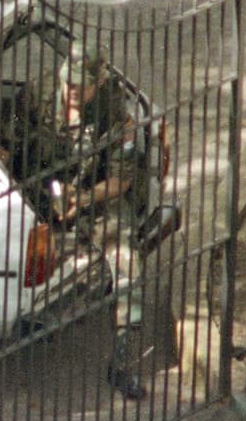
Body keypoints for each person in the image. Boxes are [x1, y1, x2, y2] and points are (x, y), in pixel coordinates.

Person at [8, 41, 153, 400]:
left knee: (129, 270)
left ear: (99, 83)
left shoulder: (117, 116)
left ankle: (121, 366)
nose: (71, 91)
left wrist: (83, 200)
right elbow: (10, 140)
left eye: (80, 86)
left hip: (95, 197)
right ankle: (36, 324)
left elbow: (121, 180)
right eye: (67, 82)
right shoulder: (38, 93)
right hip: (39, 192)